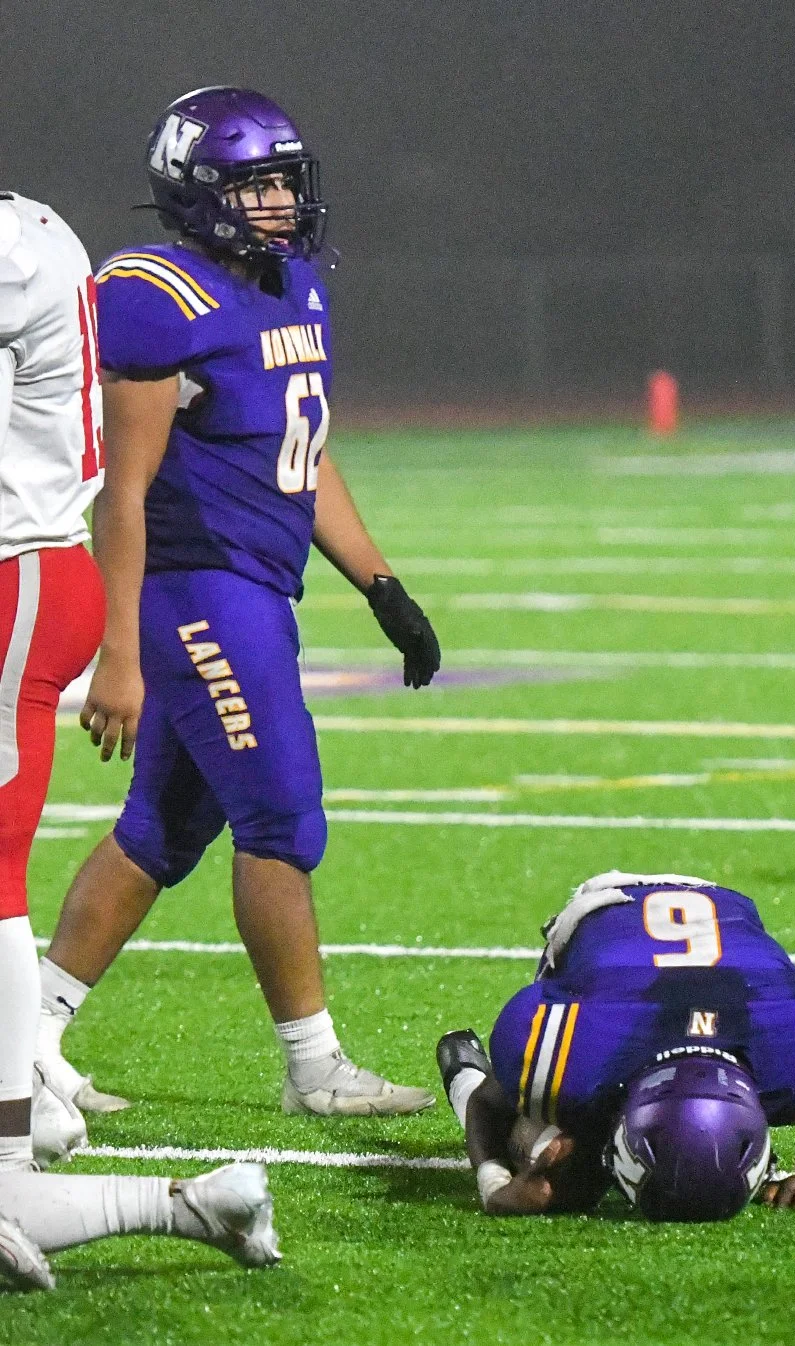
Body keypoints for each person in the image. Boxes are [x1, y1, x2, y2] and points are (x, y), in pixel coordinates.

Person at [35, 87, 443, 1123]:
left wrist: (381, 584)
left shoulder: (293, 283)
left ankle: (22, 1037)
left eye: (283, 182)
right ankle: (315, 1065)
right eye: (254, 185)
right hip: (195, 588)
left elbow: (302, 451)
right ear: (197, 193)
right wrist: (119, 652)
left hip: (258, 584)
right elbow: (123, 491)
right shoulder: (154, 296)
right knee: (282, 818)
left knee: (159, 832)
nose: (279, 203)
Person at [0, 188, 280, 1292]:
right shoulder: (37, 228)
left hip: (19, 569)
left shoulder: (13, 244)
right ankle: (43, 1118)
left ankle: (17, 1118)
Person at [436, 870, 795, 1220]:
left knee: (568, 1160)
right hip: (606, 908)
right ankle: (466, 1072)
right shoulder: (588, 1042)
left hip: (721, 910)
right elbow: (488, 1103)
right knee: (560, 1158)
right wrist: (495, 1185)